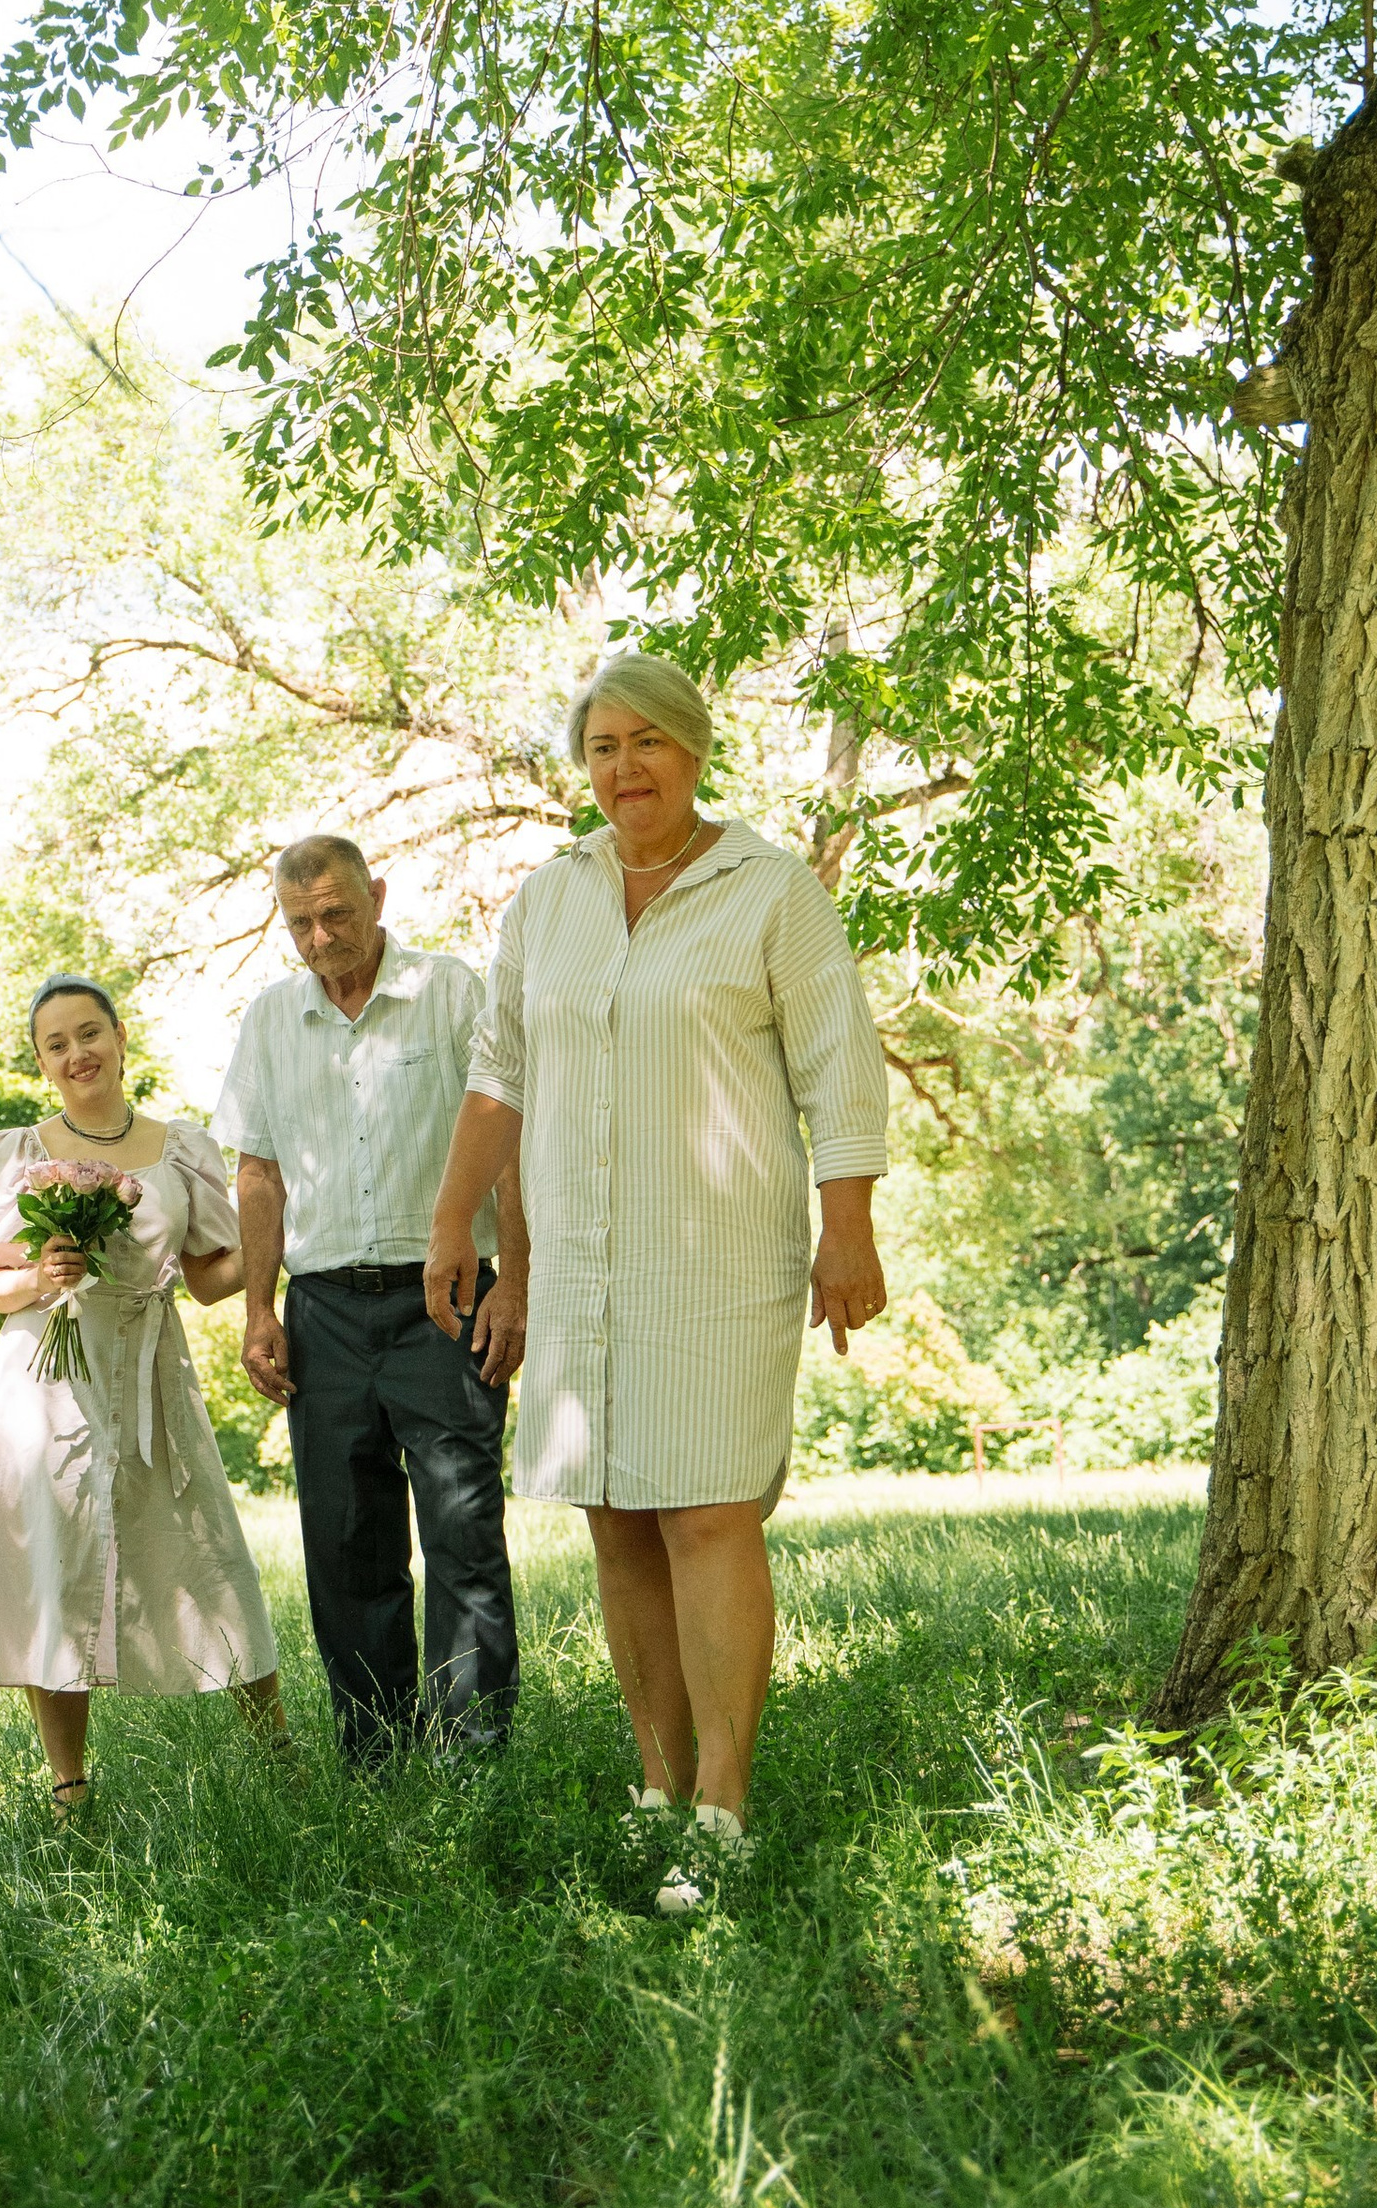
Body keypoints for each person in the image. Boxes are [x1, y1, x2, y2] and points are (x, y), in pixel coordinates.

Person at [424, 652, 889, 1911]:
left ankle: (725, 1813)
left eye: (646, 744)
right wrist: (453, 1218)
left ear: (692, 750)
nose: (622, 770)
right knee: (615, 1517)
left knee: (704, 1510)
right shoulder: (549, 900)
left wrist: (845, 1223)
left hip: (718, 1250)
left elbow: (837, 1065)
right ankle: (656, 1791)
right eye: (601, 749)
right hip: (578, 1254)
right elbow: (497, 1071)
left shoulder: (769, 888)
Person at [214, 833, 528, 1764]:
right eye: (301, 922)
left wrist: (514, 1284)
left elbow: (507, 1145)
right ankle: (377, 1759)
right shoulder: (270, 1019)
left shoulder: (452, 993)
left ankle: (471, 1757)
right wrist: (259, 1311)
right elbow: (259, 1175)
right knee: (348, 1548)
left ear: (377, 896)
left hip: (448, 1303)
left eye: (337, 914)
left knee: (462, 1531)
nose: (320, 937)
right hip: (324, 1317)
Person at [0, 975, 285, 1809]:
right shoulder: (20, 1154)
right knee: (54, 1566)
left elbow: (208, 1279)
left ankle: (280, 1755)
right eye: (56, 1044)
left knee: (207, 1548)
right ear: (41, 1062)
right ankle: (70, 1788)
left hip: (149, 1365)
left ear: (121, 1037)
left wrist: (282, 1228)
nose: (77, 1054)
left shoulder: (180, 1149)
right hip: (47, 1378)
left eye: (89, 1033)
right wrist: (37, 1274)